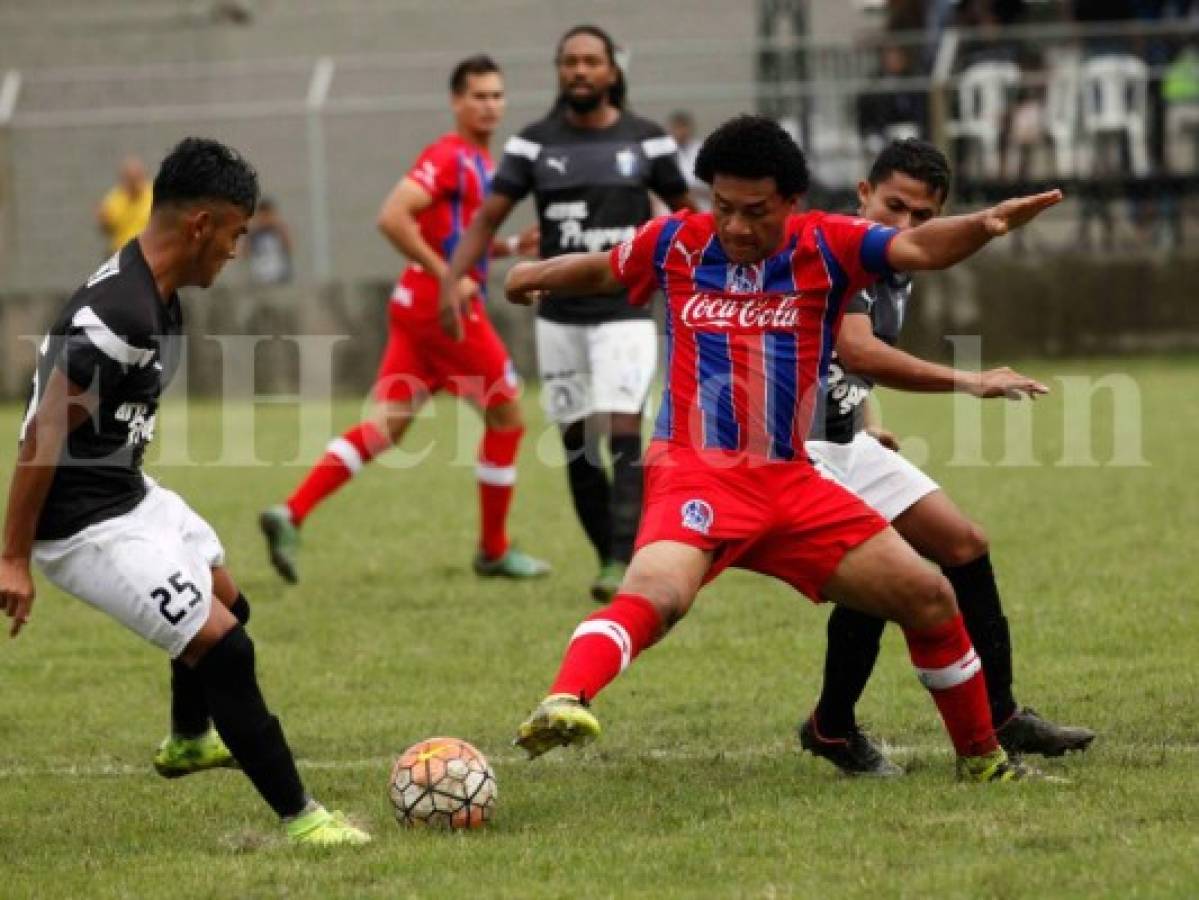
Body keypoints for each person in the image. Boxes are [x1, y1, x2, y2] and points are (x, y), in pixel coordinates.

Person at [505, 115, 1063, 783]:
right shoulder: (676, 241)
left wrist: (984, 225)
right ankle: (564, 700)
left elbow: (920, 251)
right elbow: (601, 267)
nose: (735, 227)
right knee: (658, 594)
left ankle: (982, 761)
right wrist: (531, 274)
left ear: (791, 202)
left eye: (754, 212)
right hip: (697, 470)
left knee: (927, 595)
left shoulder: (828, 243)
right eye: (723, 207)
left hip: (790, 479)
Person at [0, 138, 369, 846]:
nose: (235, 251)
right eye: (235, 233)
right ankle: (303, 818)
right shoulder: (121, 314)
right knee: (225, 649)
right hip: (82, 526)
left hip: (127, 494)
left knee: (229, 603)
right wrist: (13, 556)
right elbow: (41, 435)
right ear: (201, 224)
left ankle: (189, 740)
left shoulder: (159, 296)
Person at [799, 139, 1095, 777]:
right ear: (862, 194)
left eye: (921, 218)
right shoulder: (839, 252)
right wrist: (972, 380)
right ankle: (832, 724)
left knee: (962, 543)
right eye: (893, 206)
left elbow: (842, 363)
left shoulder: (896, 269)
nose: (904, 226)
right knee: (890, 575)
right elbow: (860, 352)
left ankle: (1002, 715)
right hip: (794, 449)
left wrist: (870, 422)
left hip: (843, 439)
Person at [259, 55, 549, 583]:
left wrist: (507, 246)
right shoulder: (449, 155)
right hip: (445, 311)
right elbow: (392, 216)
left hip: (417, 306)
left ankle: (291, 511)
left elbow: (455, 235)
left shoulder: (483, 163)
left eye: (496, 96)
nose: (489, 105)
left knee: (387, 426)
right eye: (478, 96)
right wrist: (447, 275)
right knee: (508, 417)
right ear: (456, 101)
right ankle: (493, 549)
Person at [443, 25, 693, 602]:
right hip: (558, 317)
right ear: (560, 71)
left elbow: (687, 215)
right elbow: (484, 219)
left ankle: (621, 559)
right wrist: (454, 279)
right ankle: (609, 554)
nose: (580, 71)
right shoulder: (533, 145)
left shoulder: (648, 141)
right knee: (578, 440)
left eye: (591, 61)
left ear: (611, 71)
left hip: (626, 310)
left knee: (625, 428)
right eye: (570, 62)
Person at [96, 155, 152, 255]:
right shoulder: (114, 200)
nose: (134, 183)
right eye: (130, 179)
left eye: (137, 178)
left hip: (148, 255)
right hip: (121, 255)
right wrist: (104, 221)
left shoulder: (156, 197)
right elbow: (107, 230)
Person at [245, 196, 293, 285]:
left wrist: (279, 227)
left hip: (279, 276)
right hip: (258, 277)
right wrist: (252, 231)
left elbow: (290, 247)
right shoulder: (253, 234)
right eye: (263, 216)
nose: (265, 220)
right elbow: (244, 254)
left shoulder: (279, 231)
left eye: (268, 215)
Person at [668, 109, 710, 210]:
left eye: (683, 127)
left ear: (690, 128)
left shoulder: (704, 150)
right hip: (676, 210)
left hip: (702, 205)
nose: (680, 132)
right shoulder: (665, 152)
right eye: (676, 128)